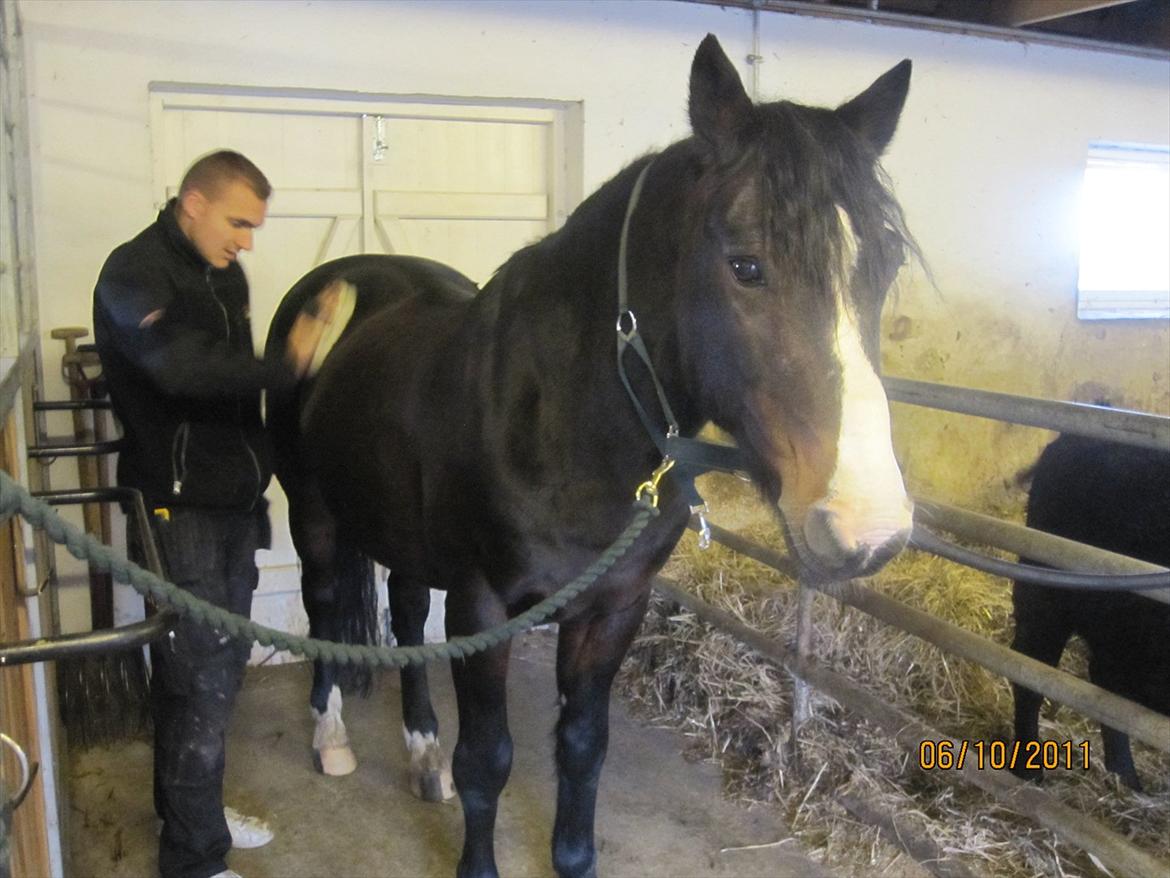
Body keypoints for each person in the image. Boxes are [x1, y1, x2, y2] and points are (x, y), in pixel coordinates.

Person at [92, 150, 333, 878]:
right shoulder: (132, 273)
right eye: (238, 223)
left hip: (231, 502)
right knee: (196, 677)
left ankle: (191, 815)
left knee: (215, 672)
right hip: (178, 508)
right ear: (193, 202)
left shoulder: (223, 274)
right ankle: (194, 860)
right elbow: (180, 368)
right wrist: (286, 365)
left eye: (254, 227)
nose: (246, 242)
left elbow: (231, 393)